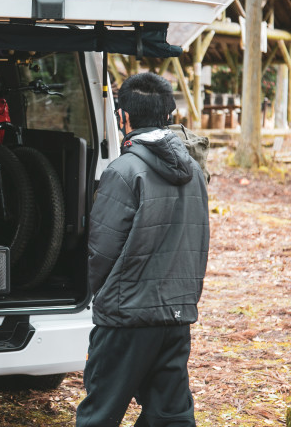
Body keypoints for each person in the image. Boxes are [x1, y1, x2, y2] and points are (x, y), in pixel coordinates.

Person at [76, 72, 210, 427]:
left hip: (126, 316)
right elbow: (199, 241)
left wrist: (102, 299)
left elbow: (101, 252)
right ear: (169, 115)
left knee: (99, 414)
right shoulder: (195, 170)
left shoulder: (122, 171)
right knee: (171, 415)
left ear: (124, 118)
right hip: (176, 314)